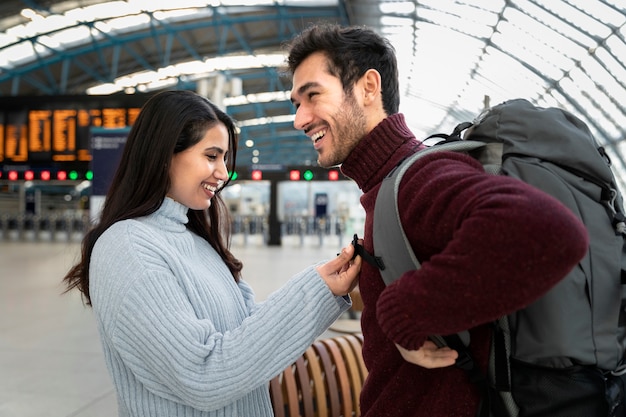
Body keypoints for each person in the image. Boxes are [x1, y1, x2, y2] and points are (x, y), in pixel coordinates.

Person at [285, 24, 589, 417]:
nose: (299, 119)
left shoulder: (416, 178)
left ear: (368, 87)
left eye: (312, 96)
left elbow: (548, 230)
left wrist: (402, 313)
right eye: (295, 103)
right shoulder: (388, 185)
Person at [62, 89, 361, 417]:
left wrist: (324, 288)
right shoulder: (127, 248)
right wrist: (313, 289)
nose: (223, 173)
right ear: (164, 154)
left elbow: (246, 330)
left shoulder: (198, 241)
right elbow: (201, 374)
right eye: (211, 156)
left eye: (224, 158)